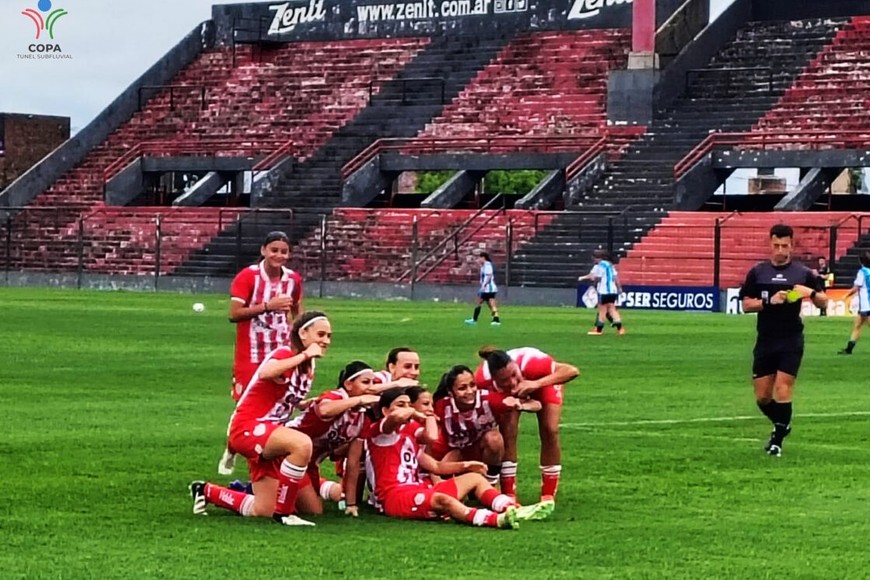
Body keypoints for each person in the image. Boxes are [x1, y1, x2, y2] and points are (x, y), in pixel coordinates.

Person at [189, 311, 332, 526]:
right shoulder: (286, 353)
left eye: (329, 336)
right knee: (302, 444)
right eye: (321, 334)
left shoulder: (308, 366)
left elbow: (281, 396)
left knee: (296, 509)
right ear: (303, 333)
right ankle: (284, 514)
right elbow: (266, 372)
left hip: (271, 433)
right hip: (249, 427)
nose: (326, 341)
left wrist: (304, 403)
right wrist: (304, 355)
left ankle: (207, 491)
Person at [365, 387, 554, 528]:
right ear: (385, 411)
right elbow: (397, 418)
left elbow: (435, 460)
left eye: (408, 404)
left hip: (417, 488)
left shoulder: (410, 432)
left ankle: (513, 507)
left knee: (474, 479)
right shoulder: (380, 432)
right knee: (442, 500)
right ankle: (494, 520)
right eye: (400, 404)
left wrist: (465, 466)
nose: (406, 409)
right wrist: (416, 413)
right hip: (393, 497)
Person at [219, 230, 304, 475]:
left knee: (279, 404)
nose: (279, 255)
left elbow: (297, 309)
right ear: (263, 251)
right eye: (274, 250)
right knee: (246, 406)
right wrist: (268, 306)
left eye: (284, 251)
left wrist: (302, 336)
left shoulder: (293, 280)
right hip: (252, 354)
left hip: (281, 354)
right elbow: (234, 314)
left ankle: (267, 462)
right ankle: (234, 446)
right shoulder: (248, 276)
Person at [739, 224, 827, 457]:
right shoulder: (758, 273)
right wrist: (769, 302)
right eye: (776, 245)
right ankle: (783, 424)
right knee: (762, 397)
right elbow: (746, 305)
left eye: (785, 246)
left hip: (791, 340)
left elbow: (824, 302)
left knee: (783, 388)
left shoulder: (803, 274)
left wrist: (809, 293)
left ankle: (777, 440)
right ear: (770, 244)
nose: (780, 250)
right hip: (766, 340)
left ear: (792, 245)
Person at [474, 347, 579, 503]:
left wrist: (536, 384)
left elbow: (572, 371)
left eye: (514, 375)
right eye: (505, 381)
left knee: (550, 429)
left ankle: (548, 495)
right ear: (494, 380)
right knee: (508, 431)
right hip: (508, 393)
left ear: (516, 366)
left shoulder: (534, 363)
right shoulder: (482, 380)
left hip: (540, 380)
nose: (513, 382)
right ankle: (509, 493)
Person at [286, 360, 381, 515]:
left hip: (309, 464)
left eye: (373, 382)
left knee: (312, 509)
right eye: (365, 382)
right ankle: (239, 493)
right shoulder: (336, 396)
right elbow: (324, 410)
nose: (371, 387)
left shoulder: (362, 418)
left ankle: (267, 487)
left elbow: (353, 462)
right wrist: (358, 400)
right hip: (287, 454)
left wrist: (351, 504)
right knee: (289, 508)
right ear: (349, 384)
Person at [432, 365, 541, 486]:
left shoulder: (488, 399)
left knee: (494, 439)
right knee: (442, 489)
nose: (469, 391)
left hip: (480, 453)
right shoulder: (442, 406)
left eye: (472, 385)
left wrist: (520, 405)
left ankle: (489, 485)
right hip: (456, 454)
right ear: (450, 392)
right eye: (462, 388)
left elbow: (536, 404)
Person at [577, 249, 624, 335]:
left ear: (598, 258)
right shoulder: (610, 265)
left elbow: (598, 277)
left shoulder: (600, 265)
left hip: (604, 290)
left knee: (602, 310)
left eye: (594, 258)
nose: (594, 260)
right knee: (612, 309)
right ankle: (620, 329)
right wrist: (619, 288)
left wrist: (589, 279)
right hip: (613, 290)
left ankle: (599, 330)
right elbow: (615, 278)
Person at [838, 251, 870, 355]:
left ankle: (849, 349)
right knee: (857, 326)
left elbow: (856, 288)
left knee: (858, 326)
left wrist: (846, 295)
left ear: (861, 262)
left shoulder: (862, 272)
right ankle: (849, 349)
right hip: (865, 305)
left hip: (866, 305)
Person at [465, 252, 501, 326]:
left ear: (483, 258)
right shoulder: (484, 265)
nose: (479, 259)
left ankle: (496, 319)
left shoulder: (487, 265)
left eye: (480, 258)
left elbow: (489, 276)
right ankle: (475, 319)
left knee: (490, 303)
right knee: (484, 303)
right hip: (485, 288)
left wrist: (484, 285)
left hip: (489, 288)